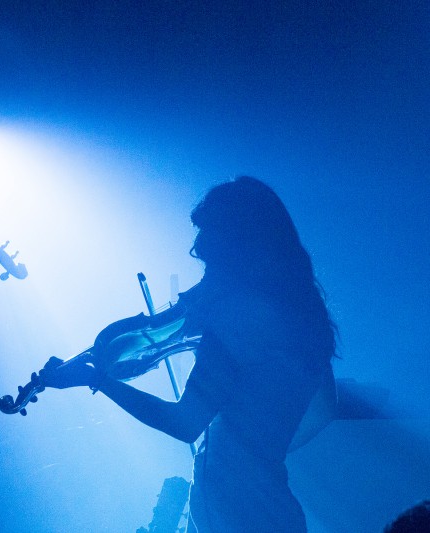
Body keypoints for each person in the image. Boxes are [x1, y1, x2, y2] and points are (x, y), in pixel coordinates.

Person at [41, 176, 337, 532]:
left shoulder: (234, 324)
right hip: (272, 509)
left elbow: (184, 423)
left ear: (237, 247)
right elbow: (324, 411)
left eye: (209, 241)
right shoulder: (304, 319)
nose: (197, 249)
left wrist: (97, 379)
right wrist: (260, 448)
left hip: (233, 515)